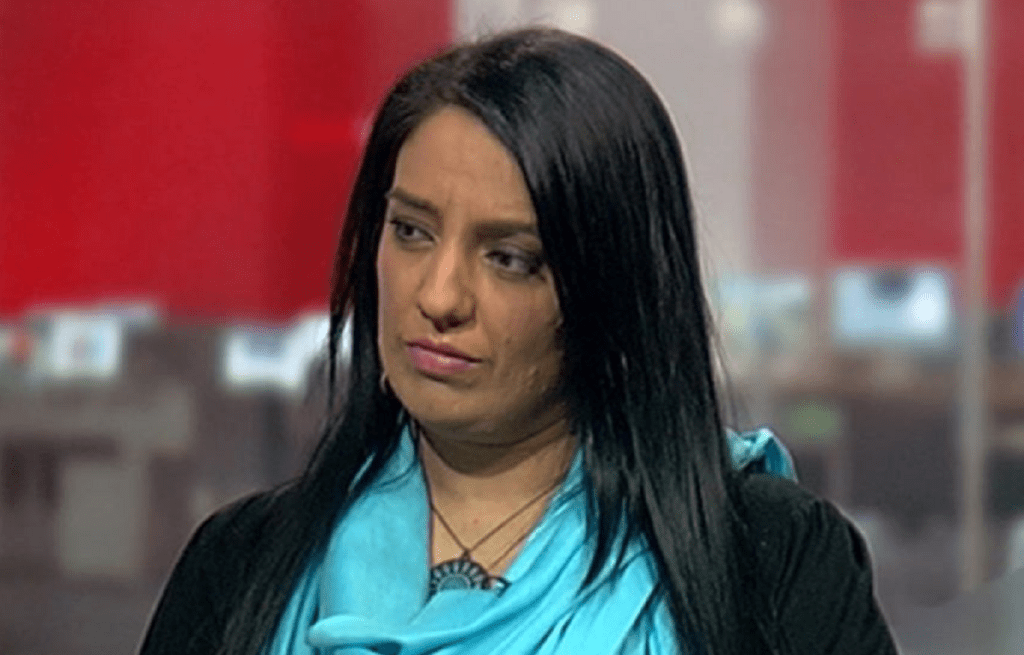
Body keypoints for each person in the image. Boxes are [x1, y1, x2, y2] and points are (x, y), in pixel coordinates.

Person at [139, 27, 897, 655]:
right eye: (411, 231)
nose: (438, 297)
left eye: (509, 258)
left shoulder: (767, 560)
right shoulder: (242, 565)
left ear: (613, 291)